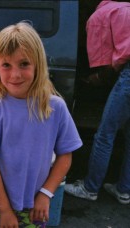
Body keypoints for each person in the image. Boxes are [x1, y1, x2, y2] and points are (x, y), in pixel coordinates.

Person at [0, 22, 82, 227]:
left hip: (37, 204)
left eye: (24, 64)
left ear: (38, 65)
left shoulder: (55, 107)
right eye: (6, 65)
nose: (15, 74)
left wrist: (46, 193)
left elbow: (65, 155)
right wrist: (5, 209)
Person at [64, 0, 130, 205]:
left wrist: (98, 78)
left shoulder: (101, 16)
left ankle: (89, 188)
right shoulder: (125, 9)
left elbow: (115, 59)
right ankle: (124, 190)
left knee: (105, 134)